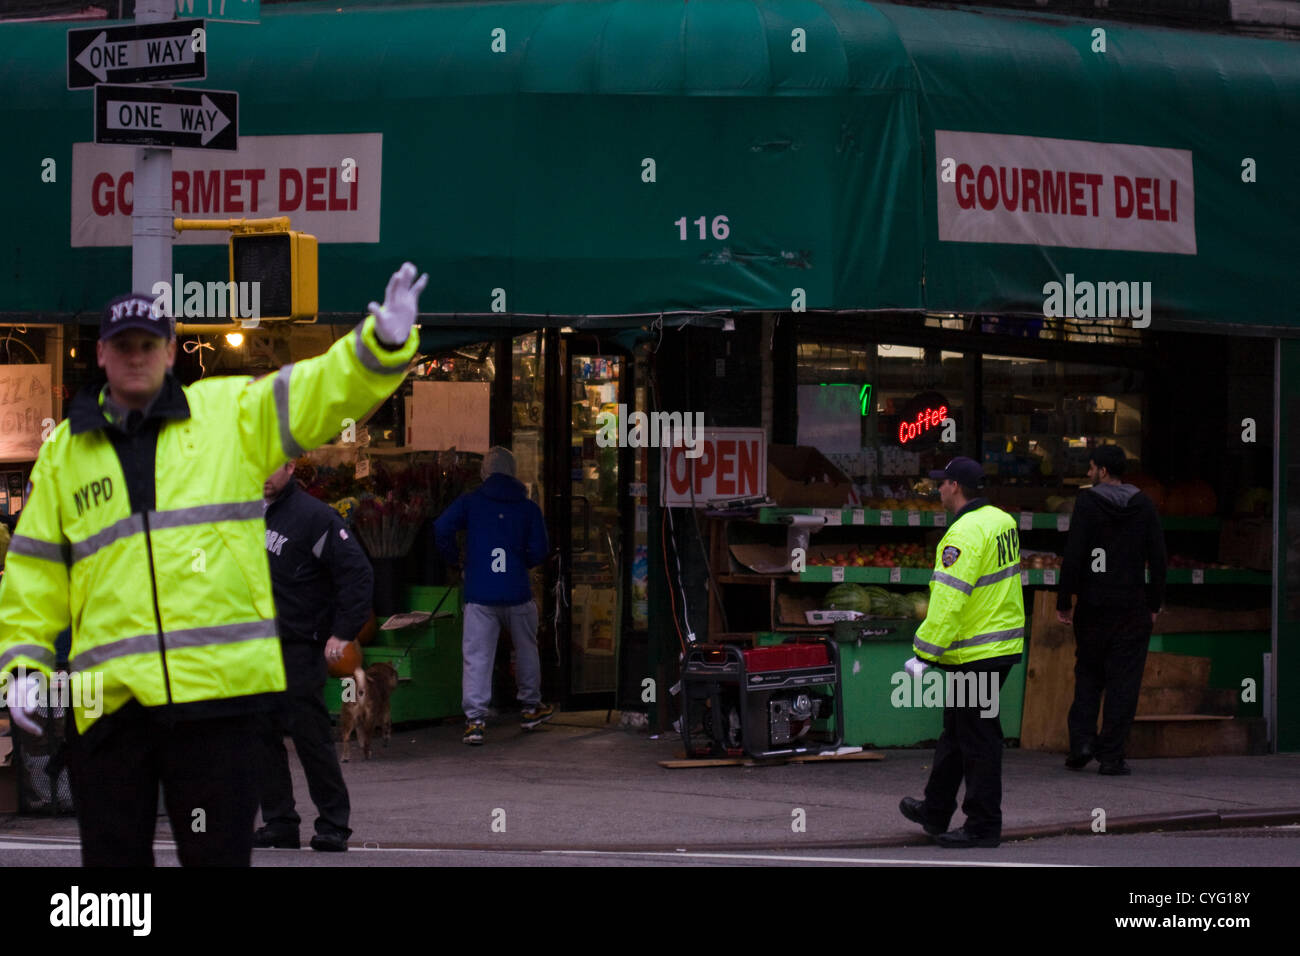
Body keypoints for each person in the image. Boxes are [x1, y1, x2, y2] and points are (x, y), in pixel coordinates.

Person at [0, 263, 426, 866]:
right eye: (124, 346)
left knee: (217, 858)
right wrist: (22, 658)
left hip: (218, 703)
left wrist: (377, 348)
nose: (137, 356)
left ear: (172, 351)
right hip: (112, 707)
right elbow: (35, 571)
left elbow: (316, 392)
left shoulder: (228, 414)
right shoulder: (66, 452)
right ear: (100, 354)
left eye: (150, 344)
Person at [899, 457, 1025, 849]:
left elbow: (950, 599)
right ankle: (935, 810)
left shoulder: (962, 534)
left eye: (941, 483)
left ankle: (983, 825)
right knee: (958, 732)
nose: (938, 489)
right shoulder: (1001, 521)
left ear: (955, 486)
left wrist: (924, 653)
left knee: (977, 740)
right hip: (996, 645)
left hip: (977, 652)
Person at [255, 460, 373, 852]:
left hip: (299, 642)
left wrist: (342, 631)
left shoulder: (314, 517)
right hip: (253, 645)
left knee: (309, 736)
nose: (261, 475)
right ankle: (279, 821)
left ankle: (334, 823)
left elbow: (356, 573)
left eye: (269, 466)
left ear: (290, 466)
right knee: (260, 735)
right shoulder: (241, 510)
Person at [1056, 444, 1167, 776]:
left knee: (1088, 675)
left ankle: (1082, 744)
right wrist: (1154, 603)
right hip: (1131, 608)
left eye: (1091, 468)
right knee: (1124, 683)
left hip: (1093, 605)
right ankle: (1112, 756)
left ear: (1103, 471)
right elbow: (1159, 558)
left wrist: (1065, 600)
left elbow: (1074, 554)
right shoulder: (1144, 504)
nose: (1089, 474)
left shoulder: (1088, 504)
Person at [434, 446, 552, 745]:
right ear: (514, 473)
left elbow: (441, 527)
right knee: (526, 648)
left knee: (477, 656)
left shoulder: (471, 502)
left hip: (480, 592)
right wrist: (521, 562)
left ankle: (475, 721)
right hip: (517, 591)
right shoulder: (528, 508)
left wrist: (456, 560)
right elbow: (540, 550)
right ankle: (529, 708)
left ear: (484, 473)